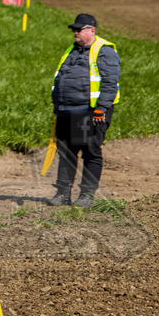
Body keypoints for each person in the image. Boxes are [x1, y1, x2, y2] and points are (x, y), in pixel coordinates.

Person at [47, 13, 121, 208]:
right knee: (66, 152)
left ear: (92, 30)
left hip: (90, 112)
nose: (75, 32)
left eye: (79, 29)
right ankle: (63, 193)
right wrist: (56, 104)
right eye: (74, 29)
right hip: (66, 110)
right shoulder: (71, 50)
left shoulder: (104, 50)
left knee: (90, 151)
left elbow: (110, 83)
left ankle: (87, 194)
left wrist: (101, 109)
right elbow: (59, 78)